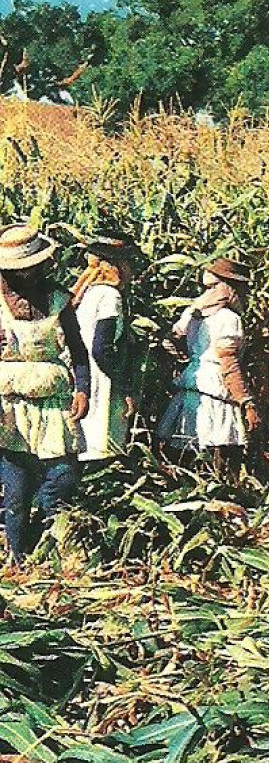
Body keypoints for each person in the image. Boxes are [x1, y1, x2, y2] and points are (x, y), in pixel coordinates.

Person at [0, 225, 89, 565]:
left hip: (53, 401)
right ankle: (18, 554)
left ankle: (54, 543)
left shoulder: (58, 300)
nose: (27, 274)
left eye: (32, 266)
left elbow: (79, 352)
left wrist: (83, 389)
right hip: (9, 405)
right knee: (17, 487)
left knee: (63, 476)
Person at [156, 259, 258, 476]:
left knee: (186, 460)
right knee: (216, 462)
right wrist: (246, 402)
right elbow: (228, 363)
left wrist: (189, 361)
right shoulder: (229, 319)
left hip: (192, 389)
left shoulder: (194, 313)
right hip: (215, 394)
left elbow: (169, 341)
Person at [70, 234, 139, 464]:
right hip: (102, 382)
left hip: (83, 377)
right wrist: (124, 387)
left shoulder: (89, 293)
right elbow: (101, 348)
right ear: (118, 266)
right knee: (102, 447)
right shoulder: (111, 296)